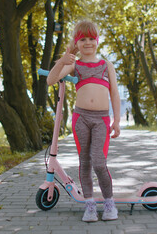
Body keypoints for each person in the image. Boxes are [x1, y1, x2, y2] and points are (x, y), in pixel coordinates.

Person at [47, 20, 121, 222]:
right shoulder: (74, 64)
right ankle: (89, 205)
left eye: (91, 38)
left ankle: (109, 203)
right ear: (76, 43)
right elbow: (50, 80)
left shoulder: (106, 65)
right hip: (81, 118)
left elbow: (114, 94)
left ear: (97, 41)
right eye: (82, 39)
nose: (87, 43)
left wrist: (117, 120)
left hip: (101, 120)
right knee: (85, 162)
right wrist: (63, 59)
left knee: (99, 161)